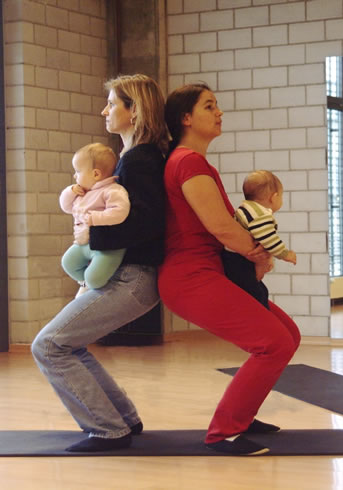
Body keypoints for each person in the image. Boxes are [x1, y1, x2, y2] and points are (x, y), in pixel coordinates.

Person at [158, 83, 301, 455]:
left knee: (287, 334)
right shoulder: (187, 161)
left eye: (217, 105)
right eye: (209, 106)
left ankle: (243, 411)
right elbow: (221, 226)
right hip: (189, 277)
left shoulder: (192, 162)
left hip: (208, 272)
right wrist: (261, 254)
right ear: (186, 118)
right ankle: (223, 432)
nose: (219, 112)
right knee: (274, 343)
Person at [31, 74, 169, 452]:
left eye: (112, 103)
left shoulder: (139, 160)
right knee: (66, 345)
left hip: (131, 278)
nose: (104, 110)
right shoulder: (132, 159)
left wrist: (91, 235)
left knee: (48, 346)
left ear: (134, 110)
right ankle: (123, 418)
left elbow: (147, 223)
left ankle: (108, 430)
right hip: (129, 277)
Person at [60, 142, 130, 298]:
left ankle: (93, 283)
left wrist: (93, 218)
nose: (75, 176)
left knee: (94, 279)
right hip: (83, 243)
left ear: (96, 174)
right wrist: (70, 192)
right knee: (68, 263)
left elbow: (120, 212)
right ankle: (84, 283)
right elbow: (66, 206)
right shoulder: (82, 193)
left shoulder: (113, 190)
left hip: (106, 246)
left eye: (78, 171)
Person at [222, 169, 297, 309]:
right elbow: (269, 239)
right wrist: (286, 254)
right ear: (273, 198)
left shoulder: (245, 208)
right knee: (255, 295)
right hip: (238, 261)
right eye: (281, 196)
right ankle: (259, 321)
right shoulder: (261, 215)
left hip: (232, 259)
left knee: (259, 291)